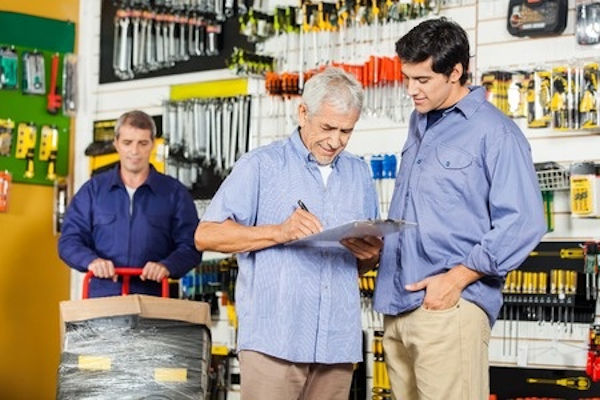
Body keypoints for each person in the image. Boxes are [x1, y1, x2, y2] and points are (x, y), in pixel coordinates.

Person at [373, 18, 546, 400]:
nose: (410, 90)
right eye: (406, 78)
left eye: (422, 80)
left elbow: (524, 222)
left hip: (449, 308)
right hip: (398, 306)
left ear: (455, 72)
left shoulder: (495, 132)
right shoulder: (419, 123)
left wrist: (455, 280)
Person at [195, 67, 382, 400]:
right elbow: (207, 235)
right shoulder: (260, 166)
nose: (335, 140)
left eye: (346, 131)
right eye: (327, 127)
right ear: (302, 113)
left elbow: (360, 263)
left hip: (336, 345)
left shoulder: (359, 173)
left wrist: (369, 257)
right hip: (274, 343)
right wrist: (280, 231)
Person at [58, 110, 201, 297]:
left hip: (153, 300)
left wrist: (167, 266)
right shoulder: (93, 191)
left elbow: (191, 246)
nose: (135, 151)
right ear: (116, 143)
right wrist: (91, 261)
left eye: (142, 143)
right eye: (127, 143)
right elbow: (69, 241)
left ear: (152, 144)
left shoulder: (174, 193)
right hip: (103, 300)